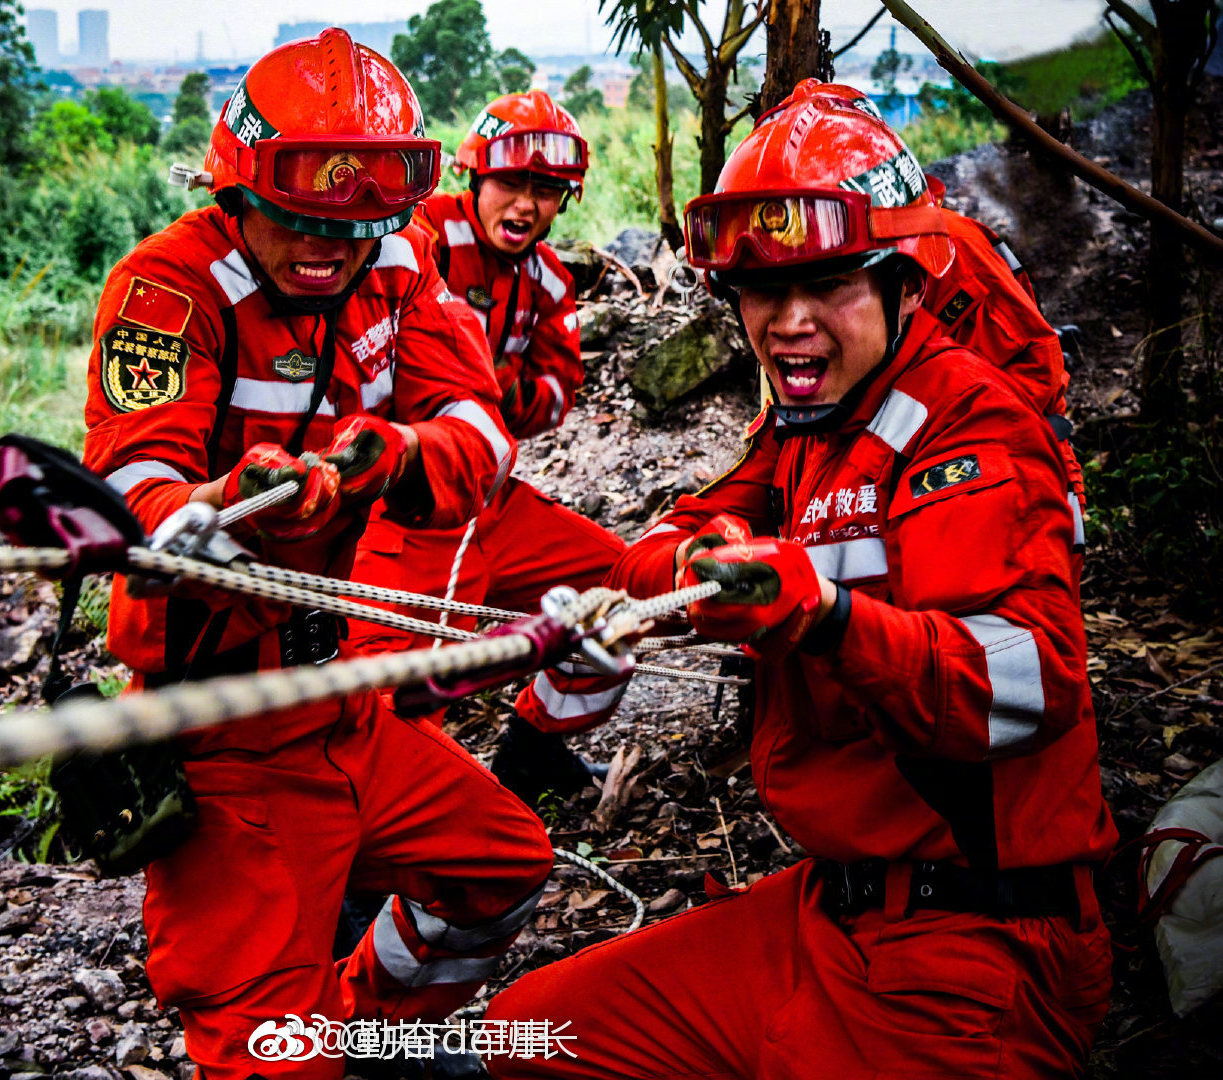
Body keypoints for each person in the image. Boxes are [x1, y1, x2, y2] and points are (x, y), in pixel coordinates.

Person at [485, 79, 1117, 1079]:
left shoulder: (971, 430)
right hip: (828, 915)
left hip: (971, 961)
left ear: (905, 281)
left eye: (828, 284)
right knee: (528, 1035)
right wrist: (708, 568)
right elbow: (667, 542)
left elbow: (1028, 683)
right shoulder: (805, 428)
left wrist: (823, 619)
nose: (787, 322)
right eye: (761, 292)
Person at [81, 30, 552, 1079]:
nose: (328, 248)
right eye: (299, 218)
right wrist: (216, 505)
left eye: (355, 222)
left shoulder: (397, 265)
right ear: (236, 189)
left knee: (506, 869)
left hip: (340, 695)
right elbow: (129, 481)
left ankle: (370, 1032)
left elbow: (480, 430)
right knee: (262, 1050)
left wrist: (401, 457)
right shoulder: (166, 290)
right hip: (217, 724)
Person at [345, 90, 625, 804]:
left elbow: (560, 390)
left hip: (494, 502)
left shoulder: (549, 278)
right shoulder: (418, 235)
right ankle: (368, 860)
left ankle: (533, 751)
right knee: (396, 691)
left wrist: (491, 392)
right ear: (474, 176)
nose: (527, 206)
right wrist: (478, 395)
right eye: (512, 183)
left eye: (546, 191)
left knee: (621, 586)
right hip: (410, 509)